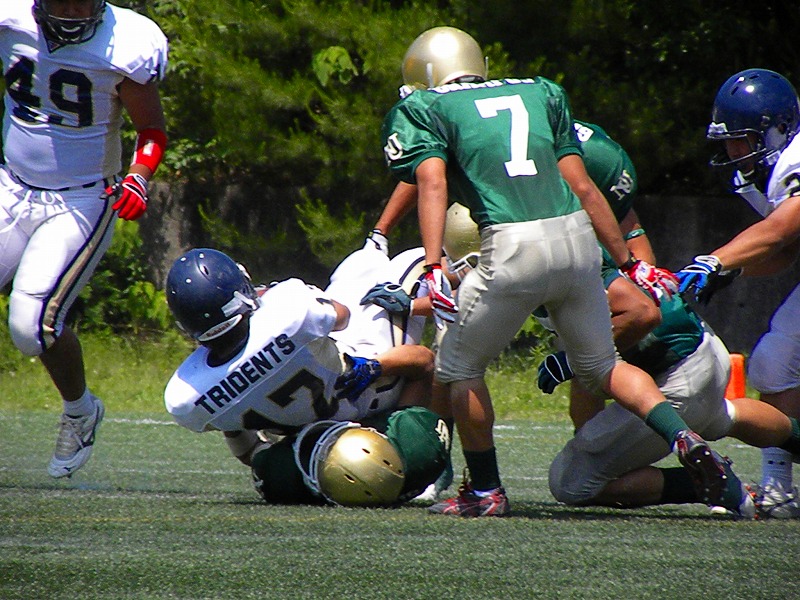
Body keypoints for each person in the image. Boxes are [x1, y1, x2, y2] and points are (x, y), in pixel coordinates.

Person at [381, 25, 737, 518]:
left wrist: (433, 261)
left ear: (426, 72)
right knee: (604, 366)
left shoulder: (425, 107)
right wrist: (630, 262)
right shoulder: (540, 92)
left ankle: (485, 490)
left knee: (459, 369)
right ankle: (683, 438)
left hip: (511, 243)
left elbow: (433, 183)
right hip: (576, 240)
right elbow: (584, 187)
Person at [0, 1, 168, 478]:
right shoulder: (9, 17)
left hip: (80, 199)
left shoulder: (127, 42)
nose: (73, 10)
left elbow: (151, 130)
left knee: (31, 327)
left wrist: (138, 177)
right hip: (9, 185)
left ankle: (80, 410)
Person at [163, 246, 449, 505]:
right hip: (368, 397)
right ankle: (399, 434)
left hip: (310, 442)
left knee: (257, 454)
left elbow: (245, 448)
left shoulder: (184, 397)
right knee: (414, 265)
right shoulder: (289, 309)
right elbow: (343, 316)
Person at [541, 248, 800, 517]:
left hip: (675, 374)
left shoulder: (537, 259)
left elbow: (640, 315)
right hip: (704, 344)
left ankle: (710, 482)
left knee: (571, 481)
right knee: (718, 415)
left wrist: (592, 445)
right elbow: (635, 242)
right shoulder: (584, 239)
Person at [676, 68, 800, 518]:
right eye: (728, 141)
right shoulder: (763, 174)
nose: (733, 151)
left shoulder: (794, 159)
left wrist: (716, 260)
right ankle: (778, 490)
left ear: (778, 129)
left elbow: (784, 226)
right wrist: (733, 270)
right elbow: (787, 250)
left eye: (742, 140)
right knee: (773, 363)